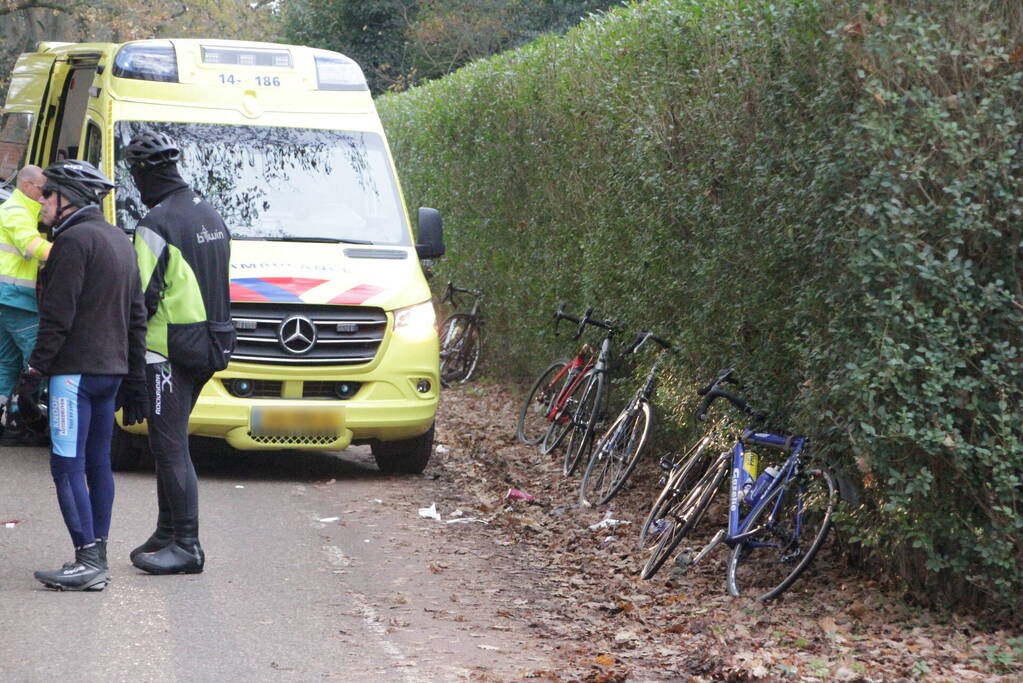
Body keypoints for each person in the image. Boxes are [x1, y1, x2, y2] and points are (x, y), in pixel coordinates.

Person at [25, 160, 147, 591]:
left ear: (66, 199)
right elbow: (137, 317)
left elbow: (58, 316)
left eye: (46, 195)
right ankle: (98, 554)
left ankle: (88, 560)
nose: (40, 202)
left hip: (73, 375)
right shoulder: (119, 240)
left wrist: (34, 369)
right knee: (98, 464)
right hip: (110, 372)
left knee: (66, 466)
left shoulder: (73, 242)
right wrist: (134, 379)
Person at [126, 130, 234, 575]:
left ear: (146, 173)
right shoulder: (210, 214)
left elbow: (139, 299)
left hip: (167, 350)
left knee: (169, 447)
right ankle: (167, 531)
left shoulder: (156, 224)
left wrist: (128, 359)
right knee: (168, 443)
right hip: (213, 342)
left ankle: (187, 545)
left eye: (135, 175)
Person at [0, 165, 52, 445]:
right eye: (43, 190)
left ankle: (10, 425)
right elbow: (31, 246)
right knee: (39, 360)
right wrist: (75, 251)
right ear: (28, 187)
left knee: (6, 363)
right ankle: (25, 419)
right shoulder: (16, 211)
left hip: (7, 299)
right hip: (16, 300)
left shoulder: (19, 210)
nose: (45, 196)